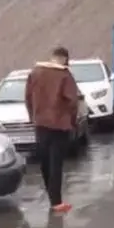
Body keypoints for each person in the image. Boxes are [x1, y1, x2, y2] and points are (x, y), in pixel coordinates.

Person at [25, 46, 82, 215]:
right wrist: (72, 122)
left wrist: (33, 117)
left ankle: (52, 197)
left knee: (44, 161)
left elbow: (28, 98)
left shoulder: (35, 73)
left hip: (41, 124)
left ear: (52, 57)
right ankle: (56, 201)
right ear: (64, 59)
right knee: (56, 162)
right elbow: (72, 102)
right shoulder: (65, 75)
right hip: (59, 125)